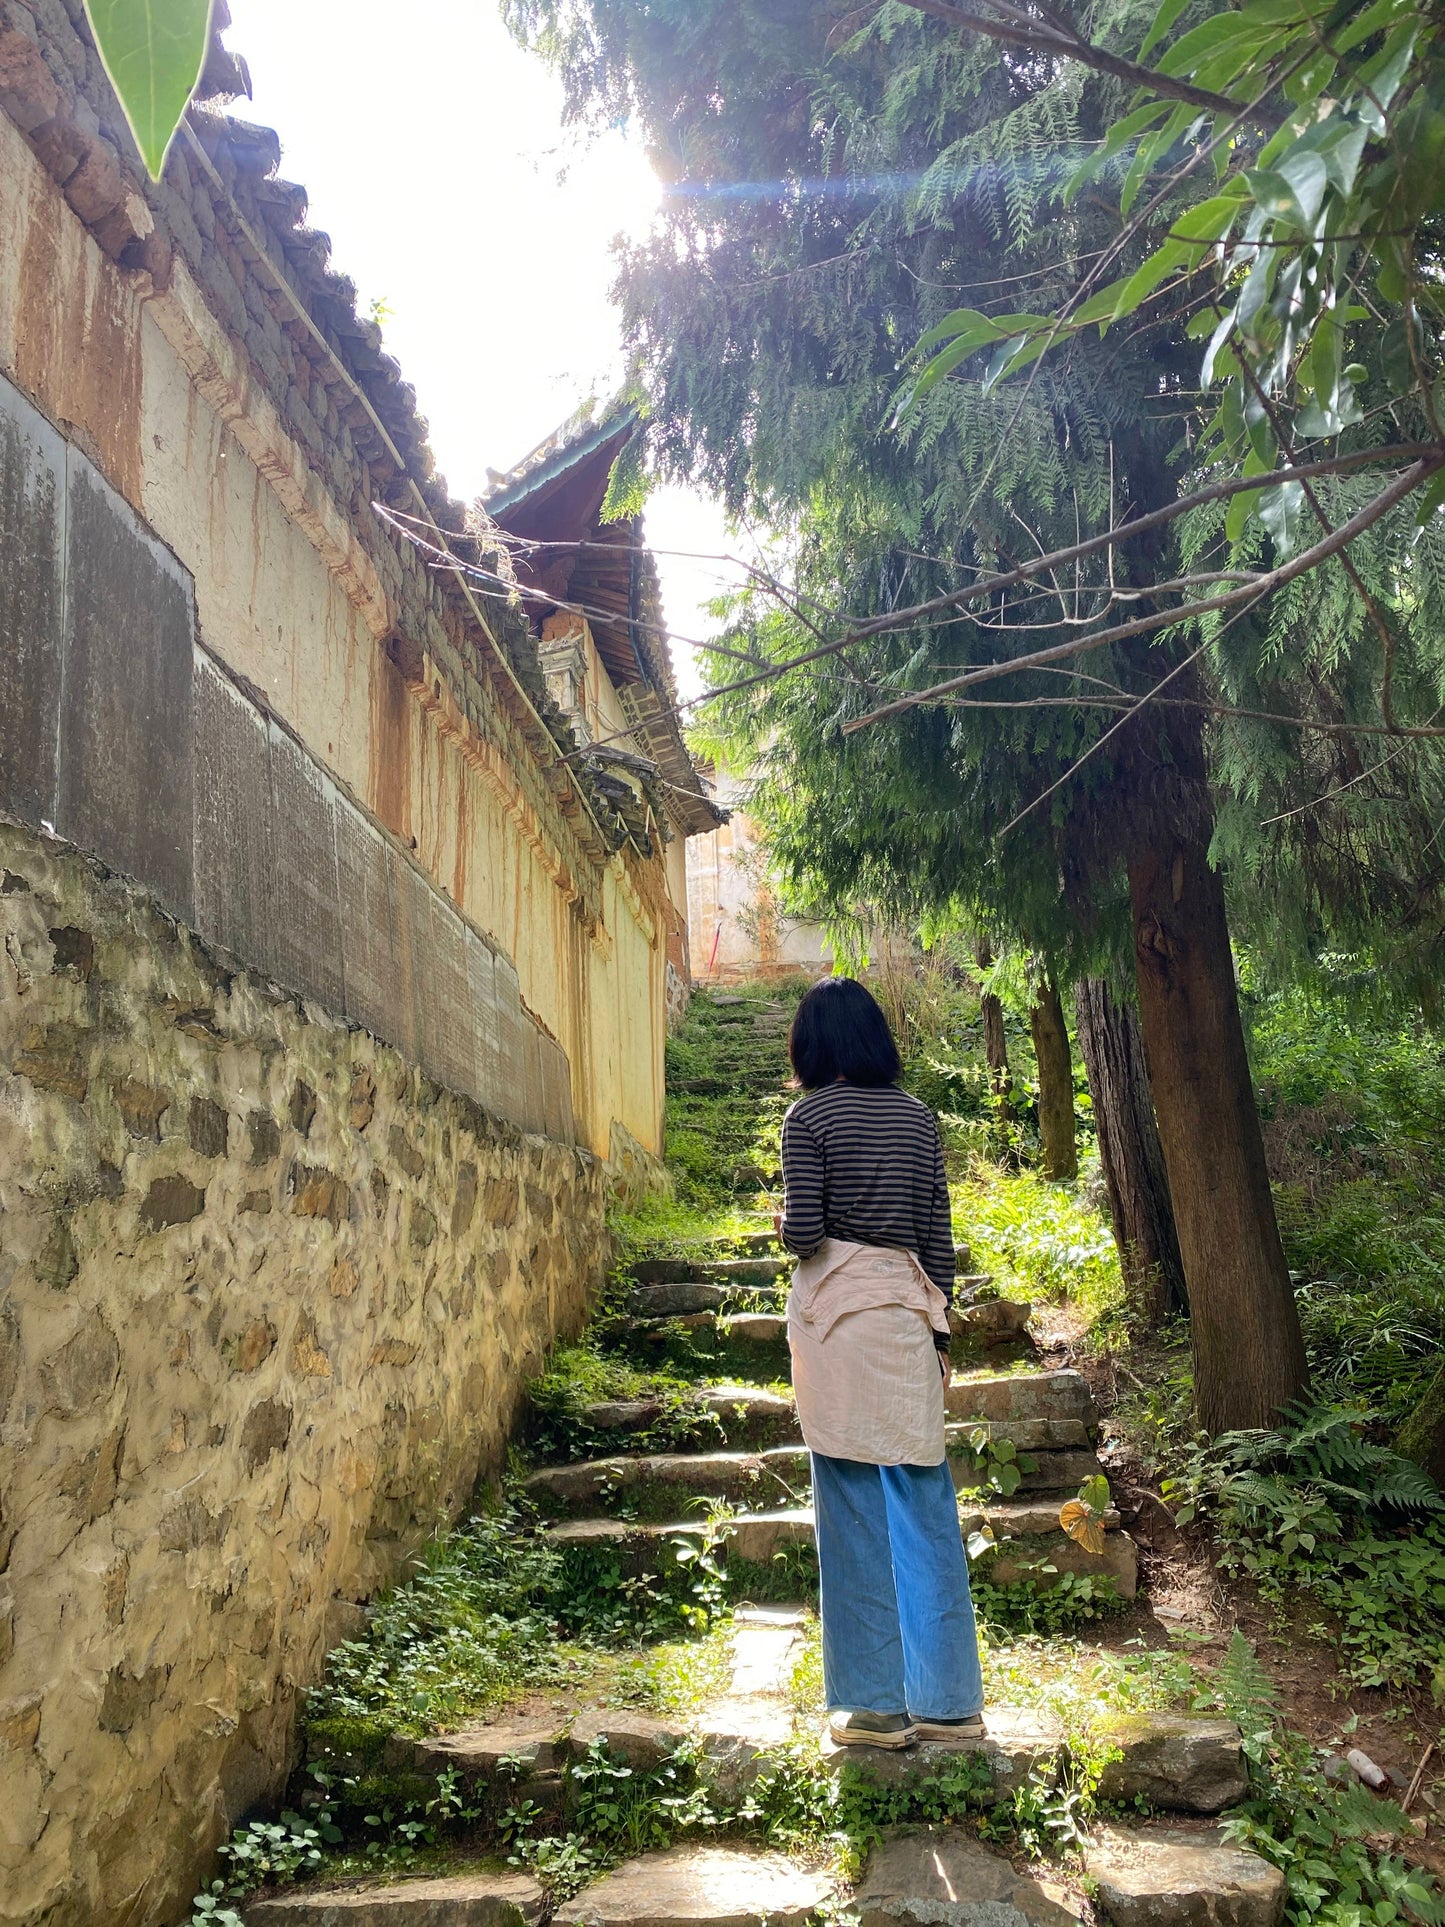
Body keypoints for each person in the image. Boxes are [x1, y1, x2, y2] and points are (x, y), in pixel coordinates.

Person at [777, 975, 984, 1750]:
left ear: (812, 1045)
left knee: (850, 1500)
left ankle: (874, 1707)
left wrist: (782, 1221)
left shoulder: (808, 1118)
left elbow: (803, 1234)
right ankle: (951, 1704)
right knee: (925, 1504)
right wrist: (940, 1336)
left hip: (835, 1325)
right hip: (905, 1315)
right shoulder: (918, 1118)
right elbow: (937, 1238)